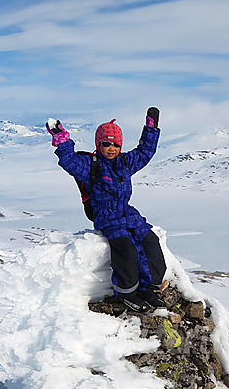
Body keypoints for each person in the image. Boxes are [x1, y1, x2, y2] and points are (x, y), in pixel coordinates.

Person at [47, 107, 167, 312]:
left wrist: (151, 129)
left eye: (116, 144)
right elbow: (69, 162)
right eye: (106, 143)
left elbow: (145, 152)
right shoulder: (90, 165)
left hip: (127, 212)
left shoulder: (125, 162)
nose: (111, 148)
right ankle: (127, 291)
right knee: (126, 247)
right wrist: (61, 138)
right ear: (98, 144)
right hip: (107, 214)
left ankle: (149, 287)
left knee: (150, 241)